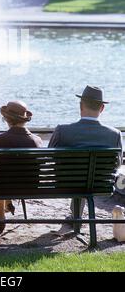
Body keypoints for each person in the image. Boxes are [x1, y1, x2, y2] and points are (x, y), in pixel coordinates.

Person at [48, 85, 123, 227]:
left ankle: (75, 216)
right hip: (100, 185)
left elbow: (50, 157)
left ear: (81, 105)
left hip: (65, 183)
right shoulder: (115, 134)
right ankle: (76, 216)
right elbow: (117, 164)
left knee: (78, 176)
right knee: (86, 177)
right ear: (102, 108)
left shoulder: (62, 130)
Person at [0, 101, 43, 232]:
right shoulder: (37, 141)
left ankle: (1, 218)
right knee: (6, 174)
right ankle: (8, 202)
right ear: (25, 119)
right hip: (30, 187)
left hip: (3, 186)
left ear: (6, 119)